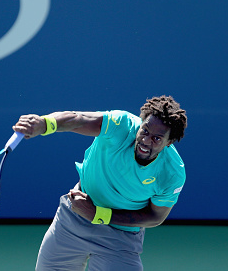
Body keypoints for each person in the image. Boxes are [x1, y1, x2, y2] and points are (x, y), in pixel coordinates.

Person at [12, 95, 187, 271]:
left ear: (169, 142)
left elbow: (156, 217)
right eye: (145, 131)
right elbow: (78, 119)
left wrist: (99, 214)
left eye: (157, 139)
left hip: (121, 237)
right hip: (73, 219)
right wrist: (45, 124)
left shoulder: (172, 173)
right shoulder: (122, 125)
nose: (146, 141)